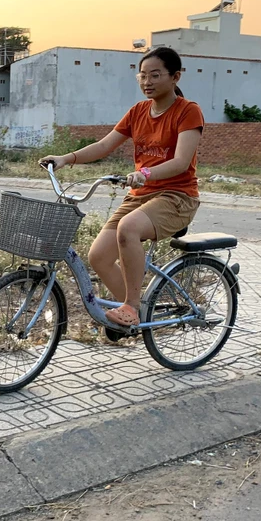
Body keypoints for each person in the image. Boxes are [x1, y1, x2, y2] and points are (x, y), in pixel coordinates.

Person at [39, 47, 203, 329]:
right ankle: (138, 312)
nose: (147, 82)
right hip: (140, 197)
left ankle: (132, 307)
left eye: (155, 75)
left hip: (177, 197)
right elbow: (105, 145)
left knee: (128, 228)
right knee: (99, 257)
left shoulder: (188, 111)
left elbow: (180, 162)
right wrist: (66, 158)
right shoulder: (138, 111)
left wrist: (145, 173)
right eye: (142, 76)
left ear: (175, 77)